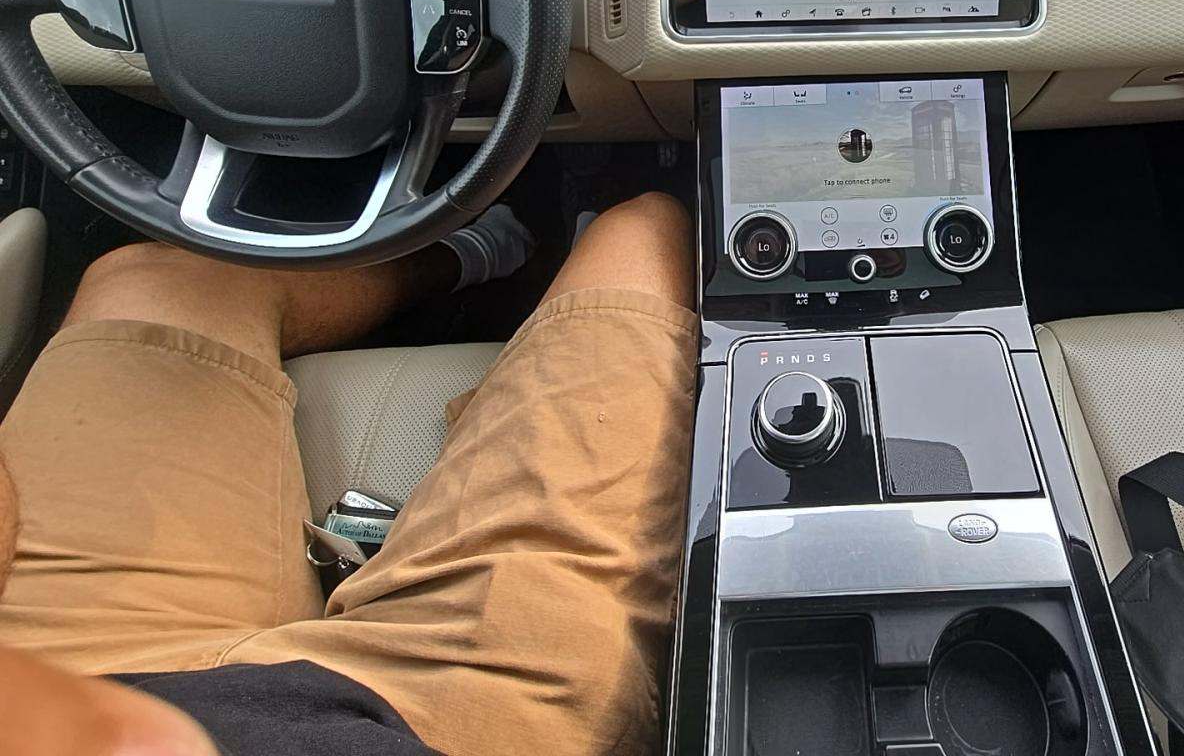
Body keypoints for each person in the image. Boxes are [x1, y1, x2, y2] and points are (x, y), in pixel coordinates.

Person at [0, 192, 700, 756]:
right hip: (436, 722)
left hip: (64, 687)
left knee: (156, 280)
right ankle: (541, 276)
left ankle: (459, 256)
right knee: (644, 231)